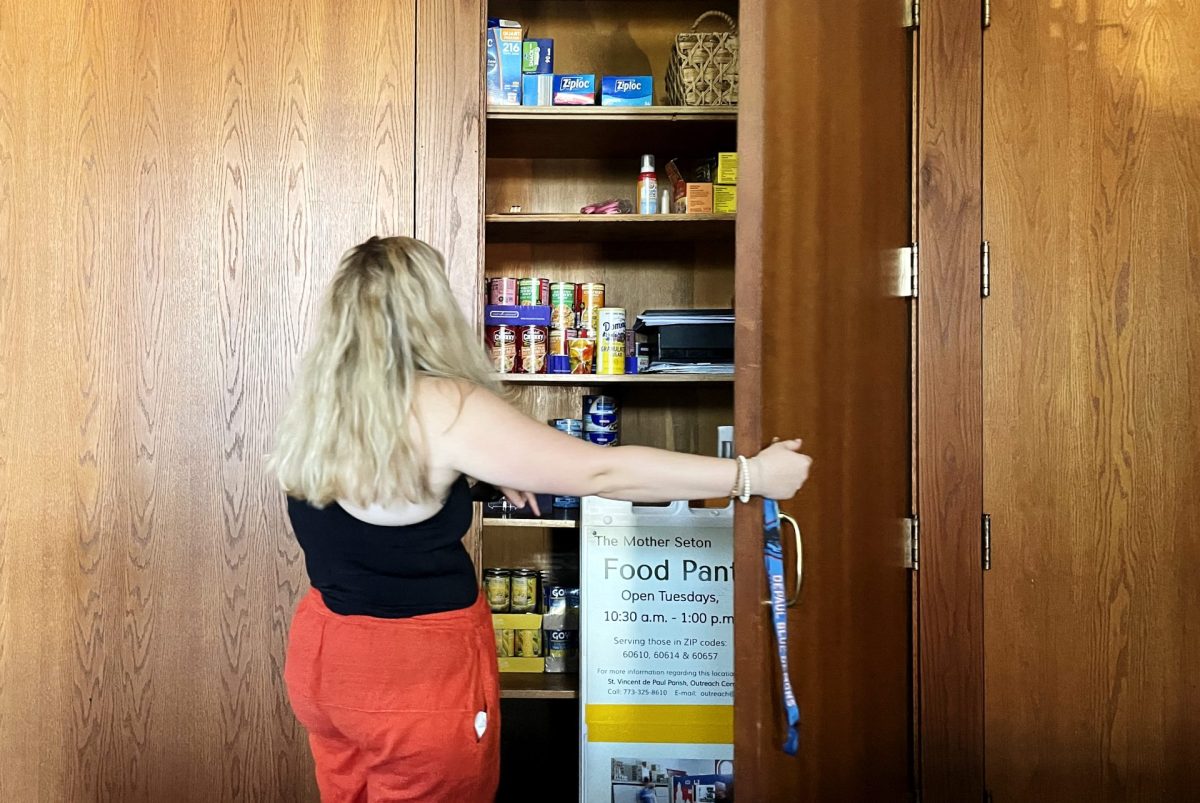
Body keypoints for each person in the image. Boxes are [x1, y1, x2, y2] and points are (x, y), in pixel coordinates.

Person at [268, 236, 812, 802]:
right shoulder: (444, 405)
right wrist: (750, 476)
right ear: (430, 310)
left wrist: (483, 468)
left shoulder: (321, 407)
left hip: (326, 661)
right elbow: (604, 474)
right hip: (415, 676)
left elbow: (389, 501)